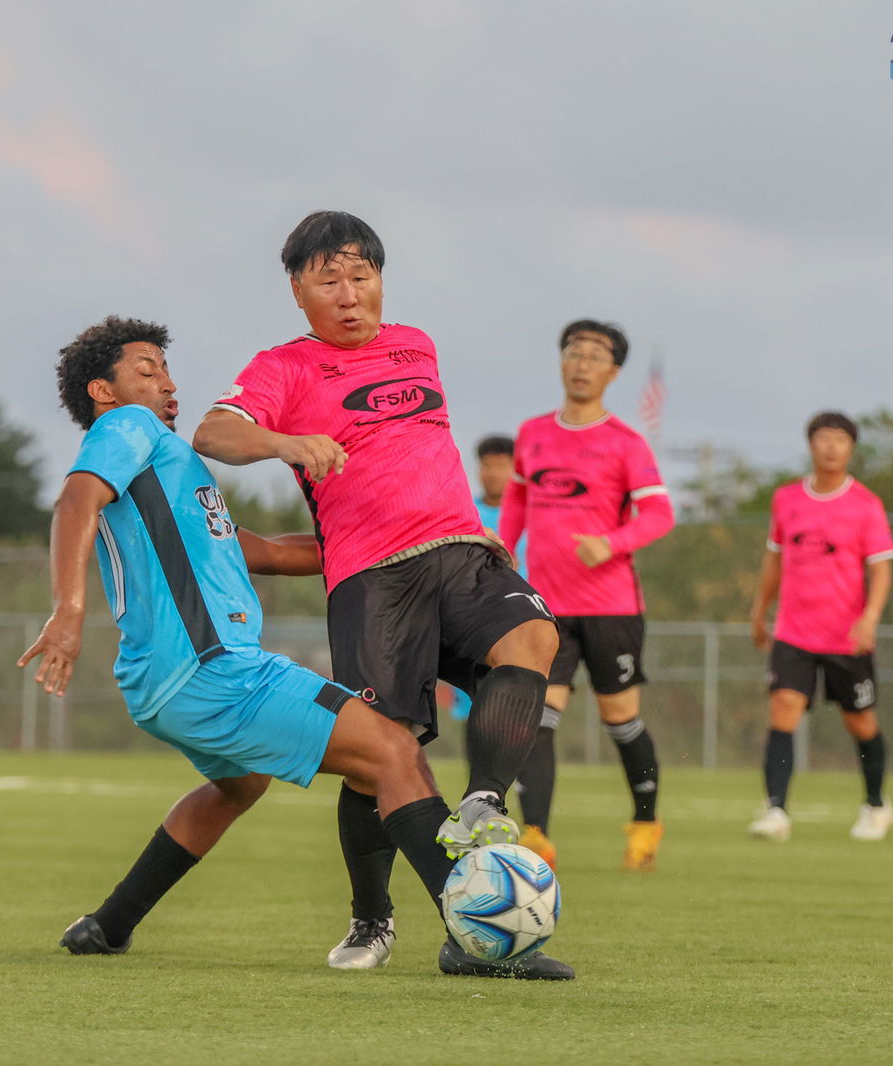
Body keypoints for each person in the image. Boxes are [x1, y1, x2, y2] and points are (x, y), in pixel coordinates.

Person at [27, 315, 569, 979]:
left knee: (236, 787)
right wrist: (68, 609)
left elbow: (267, 552)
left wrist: (401, 532)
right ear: (102, 392)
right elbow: (75, 500)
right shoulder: (125, 429)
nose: (168, 384)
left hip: (162, 685)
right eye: (146, 371)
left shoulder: (169, 474)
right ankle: (472, 939)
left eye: (167, 370)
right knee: (392, 750)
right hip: (214, 669)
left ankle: (109, 925)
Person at [193, 211, 567, 976]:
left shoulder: (416, 343)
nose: (350, 293)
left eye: (362, 275)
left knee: (535, 641)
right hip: (372, 575)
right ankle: (372, 918)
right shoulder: (283, 367)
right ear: (298, 289)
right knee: (381, 752)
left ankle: (485, 803)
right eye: (329, 279)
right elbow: (212, 433)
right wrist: (284, 441)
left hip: (462, 550)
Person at [498, 319, 675, 872]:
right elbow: (517, 506)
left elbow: (660, 513)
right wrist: (501, 553)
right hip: (546, 606)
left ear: (614, 372)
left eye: (595, 355)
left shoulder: (626, 442)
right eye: (574, 351)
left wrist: (613, 543)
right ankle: (537, 836)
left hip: (611, 607)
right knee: (538, 718)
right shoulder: (532, 433)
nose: (581, 362)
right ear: (561, 361)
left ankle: (645, 824)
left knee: (621, 720)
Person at [748, 412, 893, 842]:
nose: (831, 446)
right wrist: (760, 611)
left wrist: (869, 618)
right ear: (810, 445)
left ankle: (875, 805)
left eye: (839, 439)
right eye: (823, 438)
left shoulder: (865, 504)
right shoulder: (786, 499)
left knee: (861, 723)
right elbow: (774, 560)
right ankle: (775, 810)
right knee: (783, 710)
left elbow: (882, 570)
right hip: (793, 632)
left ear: (851, 448)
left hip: (846, 638)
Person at [454, 436, 556, 868]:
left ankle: (536, 831)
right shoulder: (465, 512)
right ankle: (478, 809)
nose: (494, 473)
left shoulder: (534, 517)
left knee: (527, 724)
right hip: (477, 631)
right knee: (478, 724)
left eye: (502, 465)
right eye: (487, 465)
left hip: (526, 633)